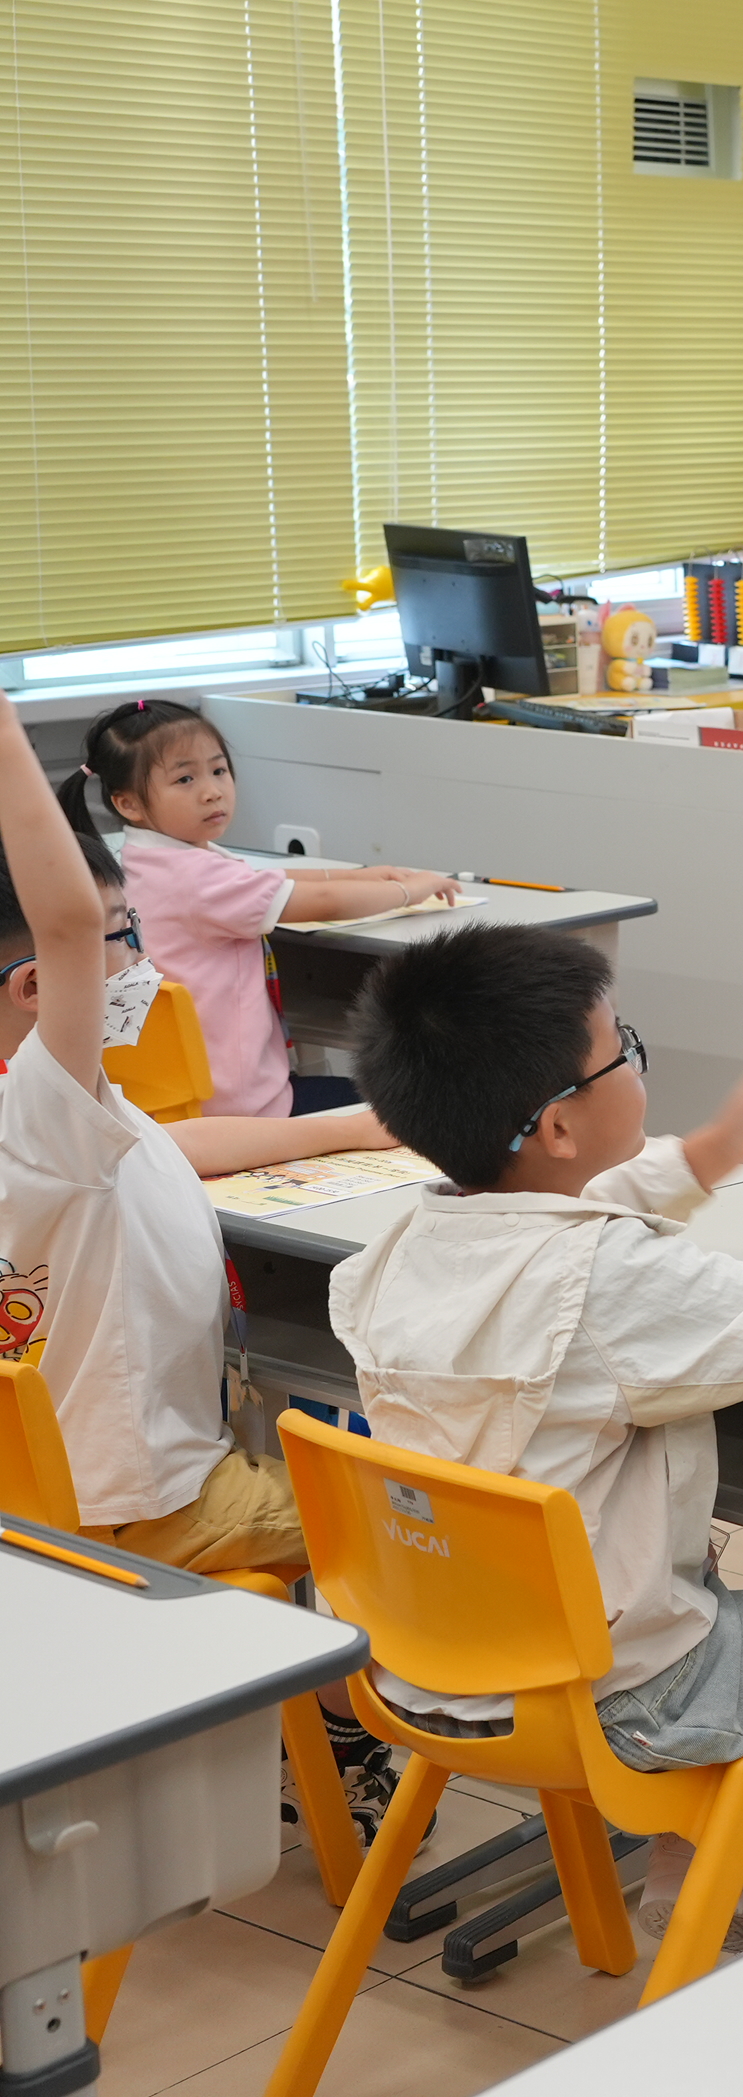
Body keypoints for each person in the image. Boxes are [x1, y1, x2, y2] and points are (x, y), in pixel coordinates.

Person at [332, 923, 743, 1943]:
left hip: (430, 1670)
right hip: (612, 1701)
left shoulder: (395, 1250)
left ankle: (706, 1876)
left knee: (707, 1584)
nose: (637, 1066)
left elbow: (578, 1202)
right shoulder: (606, 1282)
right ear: (561, 1124)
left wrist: (727, 1139)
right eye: (624, 1050)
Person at [0, 689, 405, 1823]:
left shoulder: (48, 1116)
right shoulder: (42, 1105)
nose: (137, 960)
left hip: (43, 1491)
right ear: (39, 987)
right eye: (124, 938)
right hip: (145, 1503)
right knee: (398, 1518)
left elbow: (156, 1143)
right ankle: (343, 1739)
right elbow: (65, 924)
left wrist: (339, 1127)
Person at [63, 699, 457, 1117]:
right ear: (129, 804)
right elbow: (323, 903)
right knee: (410, 1104)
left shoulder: (145, 861)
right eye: (185, 779)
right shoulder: (200, 880)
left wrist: (364, 875)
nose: (212, 791)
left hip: (180, 1100)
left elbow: (260, 880)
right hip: (244, 1108)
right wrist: (410, 891)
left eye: (218, 770)